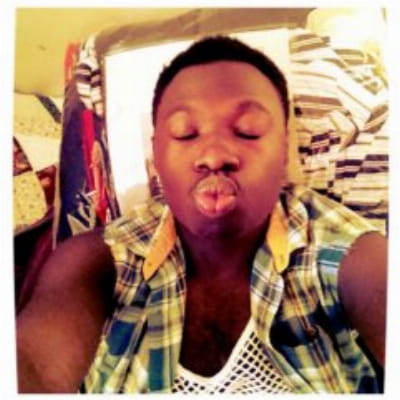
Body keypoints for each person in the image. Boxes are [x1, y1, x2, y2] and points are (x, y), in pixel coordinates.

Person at [16, 36, 387, 394]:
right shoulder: (97, 262)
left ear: (284, 148)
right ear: (156, 154)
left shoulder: (344, 252)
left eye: (248, 131)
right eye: (185, 133)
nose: (214, 155)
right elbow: (34, 363)